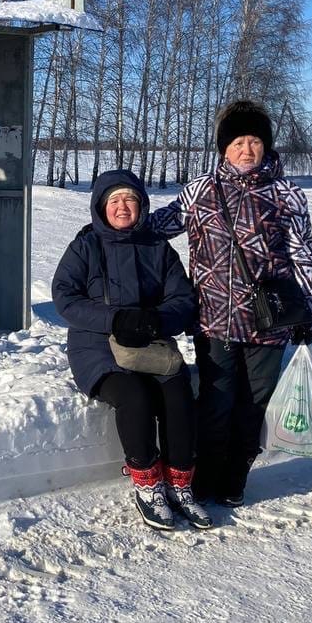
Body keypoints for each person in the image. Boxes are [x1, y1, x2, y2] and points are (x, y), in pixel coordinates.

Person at [149, 99, 312, 506]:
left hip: (270, 321)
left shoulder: (286, 194)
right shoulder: (201, 190)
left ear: (266, 146)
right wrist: (112, 223)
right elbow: (159, 226)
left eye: (255, 141)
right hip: (214, 320)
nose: (247, 150)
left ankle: (234, 479)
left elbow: (302, 254)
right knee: (216, 402)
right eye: (238, 142)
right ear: (223, 148)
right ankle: (205, 477)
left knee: (253, 405)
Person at [52, 169, 211, 531]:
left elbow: (183, 299)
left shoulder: (157, 247)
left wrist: (156, 320)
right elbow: (65, 298)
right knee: (135, 397)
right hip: (96, 348)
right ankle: (147, 483)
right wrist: (116, 318)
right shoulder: (85, 246)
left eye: (130, 200)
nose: (123, 207)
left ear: (141, 205)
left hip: (150, 345)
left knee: (178, 393)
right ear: (100, 207)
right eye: (115, 201)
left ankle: (180, 484)